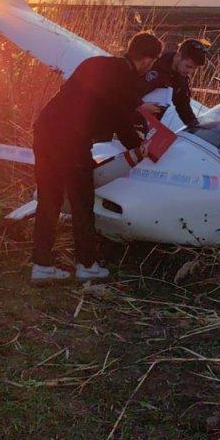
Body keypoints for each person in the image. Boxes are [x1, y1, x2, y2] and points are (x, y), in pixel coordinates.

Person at [31, 33, 163, 284]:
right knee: (82, 202)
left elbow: (107, 110)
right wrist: (140, 148)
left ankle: (41, 265)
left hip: (45, 131)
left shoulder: (95, 63)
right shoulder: (126, 79)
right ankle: (87, 264)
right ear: (147, 60)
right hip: (71, 140)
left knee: (49, 200)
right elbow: (122, 118)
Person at [136, 38, 209, 128]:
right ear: (178, 56)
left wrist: (194, 124)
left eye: (194, 68)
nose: (190, 71)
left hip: (147, 125)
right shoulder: (154, 63)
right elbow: (126, 90)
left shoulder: (181, 77)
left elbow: (182, 104)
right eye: (188, 66)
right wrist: (140, 106)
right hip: (126, 115)